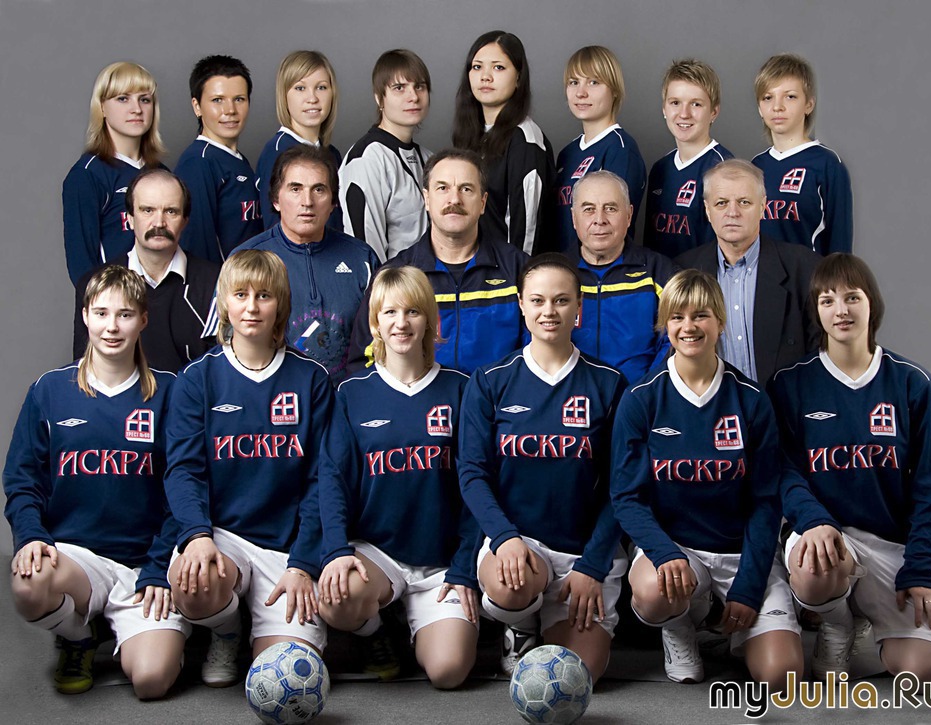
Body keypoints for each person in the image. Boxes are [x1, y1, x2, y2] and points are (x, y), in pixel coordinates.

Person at [610, 269, 803, 691]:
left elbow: (766, 501)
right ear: (664, 325)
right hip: (678, 551)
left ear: (720, 321)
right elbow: (626, 497)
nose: (689, 327)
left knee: (781, 676)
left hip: (741, 552)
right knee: (654, 592)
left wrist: (748, 587)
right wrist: (663, 552)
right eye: (677, 317)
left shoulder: (750, 400)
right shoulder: (641, 399)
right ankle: (680, 627)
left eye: (700, 315)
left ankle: (733, 632)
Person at [4, 266, 187, 698]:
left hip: (145, 562)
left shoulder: (170, 392)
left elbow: (185, 489)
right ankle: (78, 635)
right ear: (85, 315)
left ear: (143, 320)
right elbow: (22, 479)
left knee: (151, 681)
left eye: (125, 315)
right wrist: (31, 535)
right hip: (77, 558)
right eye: (101, 313)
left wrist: (160, 567)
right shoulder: (49, 391)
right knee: (29, 585)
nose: (112, 327)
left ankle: (139, 629)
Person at [768, 253, 931, 682]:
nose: (841, 310)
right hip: (823, 534)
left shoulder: (911, 382)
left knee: (922, 672)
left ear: (872, 304)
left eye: (852, 297)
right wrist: (813, 521)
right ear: (816, 311)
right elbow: (783, 471)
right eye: (827, 300)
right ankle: (837, 622)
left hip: (888, 544)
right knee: (817, 568)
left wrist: (920, 570)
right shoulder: (790, 383)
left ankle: (867, 606)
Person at [164, 250, 333, 687]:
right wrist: (197, 536)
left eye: (264, 296)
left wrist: (302, 563)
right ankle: (226, 629)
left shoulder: (311, 379)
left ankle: (268, 623)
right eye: (240, 295)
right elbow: (183, 470)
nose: (252, 307)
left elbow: (322, 481)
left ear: (281, 303)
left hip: (286, 546)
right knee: (194, 582)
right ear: (224, 302)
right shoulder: (197, 378)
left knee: (287, 677)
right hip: (223, 538)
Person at [458, 253, 627, 682]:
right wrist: (504, 537)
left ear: (579, 307)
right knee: (509, 585)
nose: (548, 311)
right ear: (521, 304)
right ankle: (520, 623)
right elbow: (473, 474)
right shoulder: (491, 380)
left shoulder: (608, 383)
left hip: (581, 550)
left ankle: (554, 617)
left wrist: (593, 565)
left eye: (561, 300)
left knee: (577, 675)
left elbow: (622, 488)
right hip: (521, 543)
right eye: (537, 300)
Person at [317, 266, 478, 688]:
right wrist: (335, 550)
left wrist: (465, 566)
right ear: (375, 323)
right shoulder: (351, 393)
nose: (401, 323)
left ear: (430, 320)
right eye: (390, 312)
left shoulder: (461, 390)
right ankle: (376, 631)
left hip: (441, 560)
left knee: (448, 672)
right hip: (378, 553)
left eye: (412, 311)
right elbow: (332, 481)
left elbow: (477, 486)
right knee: (338, 598)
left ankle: (420, 624)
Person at [347, 148, 527, 375]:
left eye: (466, 189)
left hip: (499, 398)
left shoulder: (518, 270)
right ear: (426, 199)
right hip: (420, 398)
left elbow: (541, 355)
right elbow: (363, 364)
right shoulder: (395, 275)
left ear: (483, 203)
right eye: (443, 188)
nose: (454, 199)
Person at [235, 145, 379, 382]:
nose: (307, 202)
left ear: (333, 202)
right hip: (277, 397)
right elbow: (225, 345)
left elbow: (384, 338)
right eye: (295, 189)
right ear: (276, 199)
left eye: (319, 189)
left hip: (349, 394)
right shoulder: (245, 259)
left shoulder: (362, 258)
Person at [676, 159, 820, 387]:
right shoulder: (683, 271)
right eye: (721, 203)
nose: (732, 212)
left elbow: (821, 356)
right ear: (707, 210)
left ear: (763, 206)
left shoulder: (805, 268)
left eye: (744, 202)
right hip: (711, 405)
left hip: (786, 404)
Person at [73, 168, 219, 373]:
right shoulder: (95, 284)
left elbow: (224, 371)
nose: (159, 223)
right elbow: (86, 370)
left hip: (195, 395)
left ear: (185, 220)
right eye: (147, 210)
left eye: (171, 211)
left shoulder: (217, 282)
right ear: (130, 219)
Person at [63, 62, 165, 286]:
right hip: (117, 302)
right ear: (102, 107)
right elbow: (82, 266)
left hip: (163, 299)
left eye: (144, 99)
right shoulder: (87, 175)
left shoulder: (162, 174)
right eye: (123, 98)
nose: (136, 109)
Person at [569, 171, 677, 383]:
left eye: (610, 208)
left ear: (629, 215)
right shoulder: (554, 275)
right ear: (574, 218)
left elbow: (678, 338)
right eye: (589, 209)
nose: (599, 220)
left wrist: (645, 390)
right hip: (570, 398)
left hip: (640, 397)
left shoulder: (660, 273)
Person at [452, 31, 554, 255]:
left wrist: (516, 272)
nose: (485, 77)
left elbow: (527, 231)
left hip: (507, 270)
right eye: (477, 67)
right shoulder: (471, 135)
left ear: (518, 78)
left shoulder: (525, 140)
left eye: (498, 67)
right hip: (475, 265)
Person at [751, 54, 853, 255]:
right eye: (768, 98)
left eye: (790, 96)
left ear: (809, 105)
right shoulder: (755, 166)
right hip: (762, 274)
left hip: (809, 274)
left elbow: (840, 245)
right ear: (760, 109)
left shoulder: (827, 164)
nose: (777, 107)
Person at [339, 49, 432, 262]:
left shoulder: (429, 159)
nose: (413, 97)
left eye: (420, 86)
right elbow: (366, 252)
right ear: (379, 98)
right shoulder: (367, 160)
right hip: (391, 282)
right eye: (399, 88)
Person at [555, 46, 645, 256]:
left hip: (599, 268)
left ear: (614, 90)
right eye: (573, 82)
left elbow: (614, 227)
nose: (581, 92)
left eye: (593, 82)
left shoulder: (620, 150)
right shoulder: (567, 153)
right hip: (564, 266)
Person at [174, 55, 262, 263]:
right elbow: (197, 245)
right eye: (217, 100)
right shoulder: (198, 163)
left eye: (239, 99)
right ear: (197, 106)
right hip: (224, 282)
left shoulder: (238, 160)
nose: (230, 110)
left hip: (253, 279)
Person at [644, 58, 733, 259]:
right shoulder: (660, 169)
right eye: (675, 103)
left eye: (696, 104)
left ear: (714, 112)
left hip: (700, 278)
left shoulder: (723, 169)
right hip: (661, 277)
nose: (684, 114)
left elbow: (726, 251)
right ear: (664, 109)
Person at [256, 50, 343, 232]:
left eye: (321, 87)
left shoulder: (332, 154)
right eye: (300, 88)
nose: (312, 99)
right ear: (284, 95)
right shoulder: (277, 152)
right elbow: (275, 233)